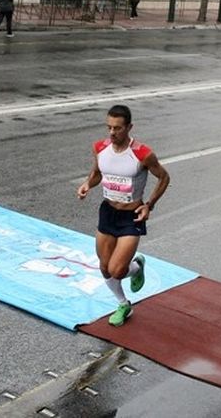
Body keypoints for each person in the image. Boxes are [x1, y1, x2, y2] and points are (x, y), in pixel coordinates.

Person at [77, 104, 170, 326]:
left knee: (117, 270)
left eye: (117, 128)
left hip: (131, 216)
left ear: (129, 127)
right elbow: (98, 173)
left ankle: (137, 266)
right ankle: (123, 304)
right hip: (108, 212)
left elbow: (164, 177)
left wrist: (150, 205)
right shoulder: (100, 147)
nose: (111, 132)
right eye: (109, 127)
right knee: (103, 266)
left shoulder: (142, 153)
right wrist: (87, 184)